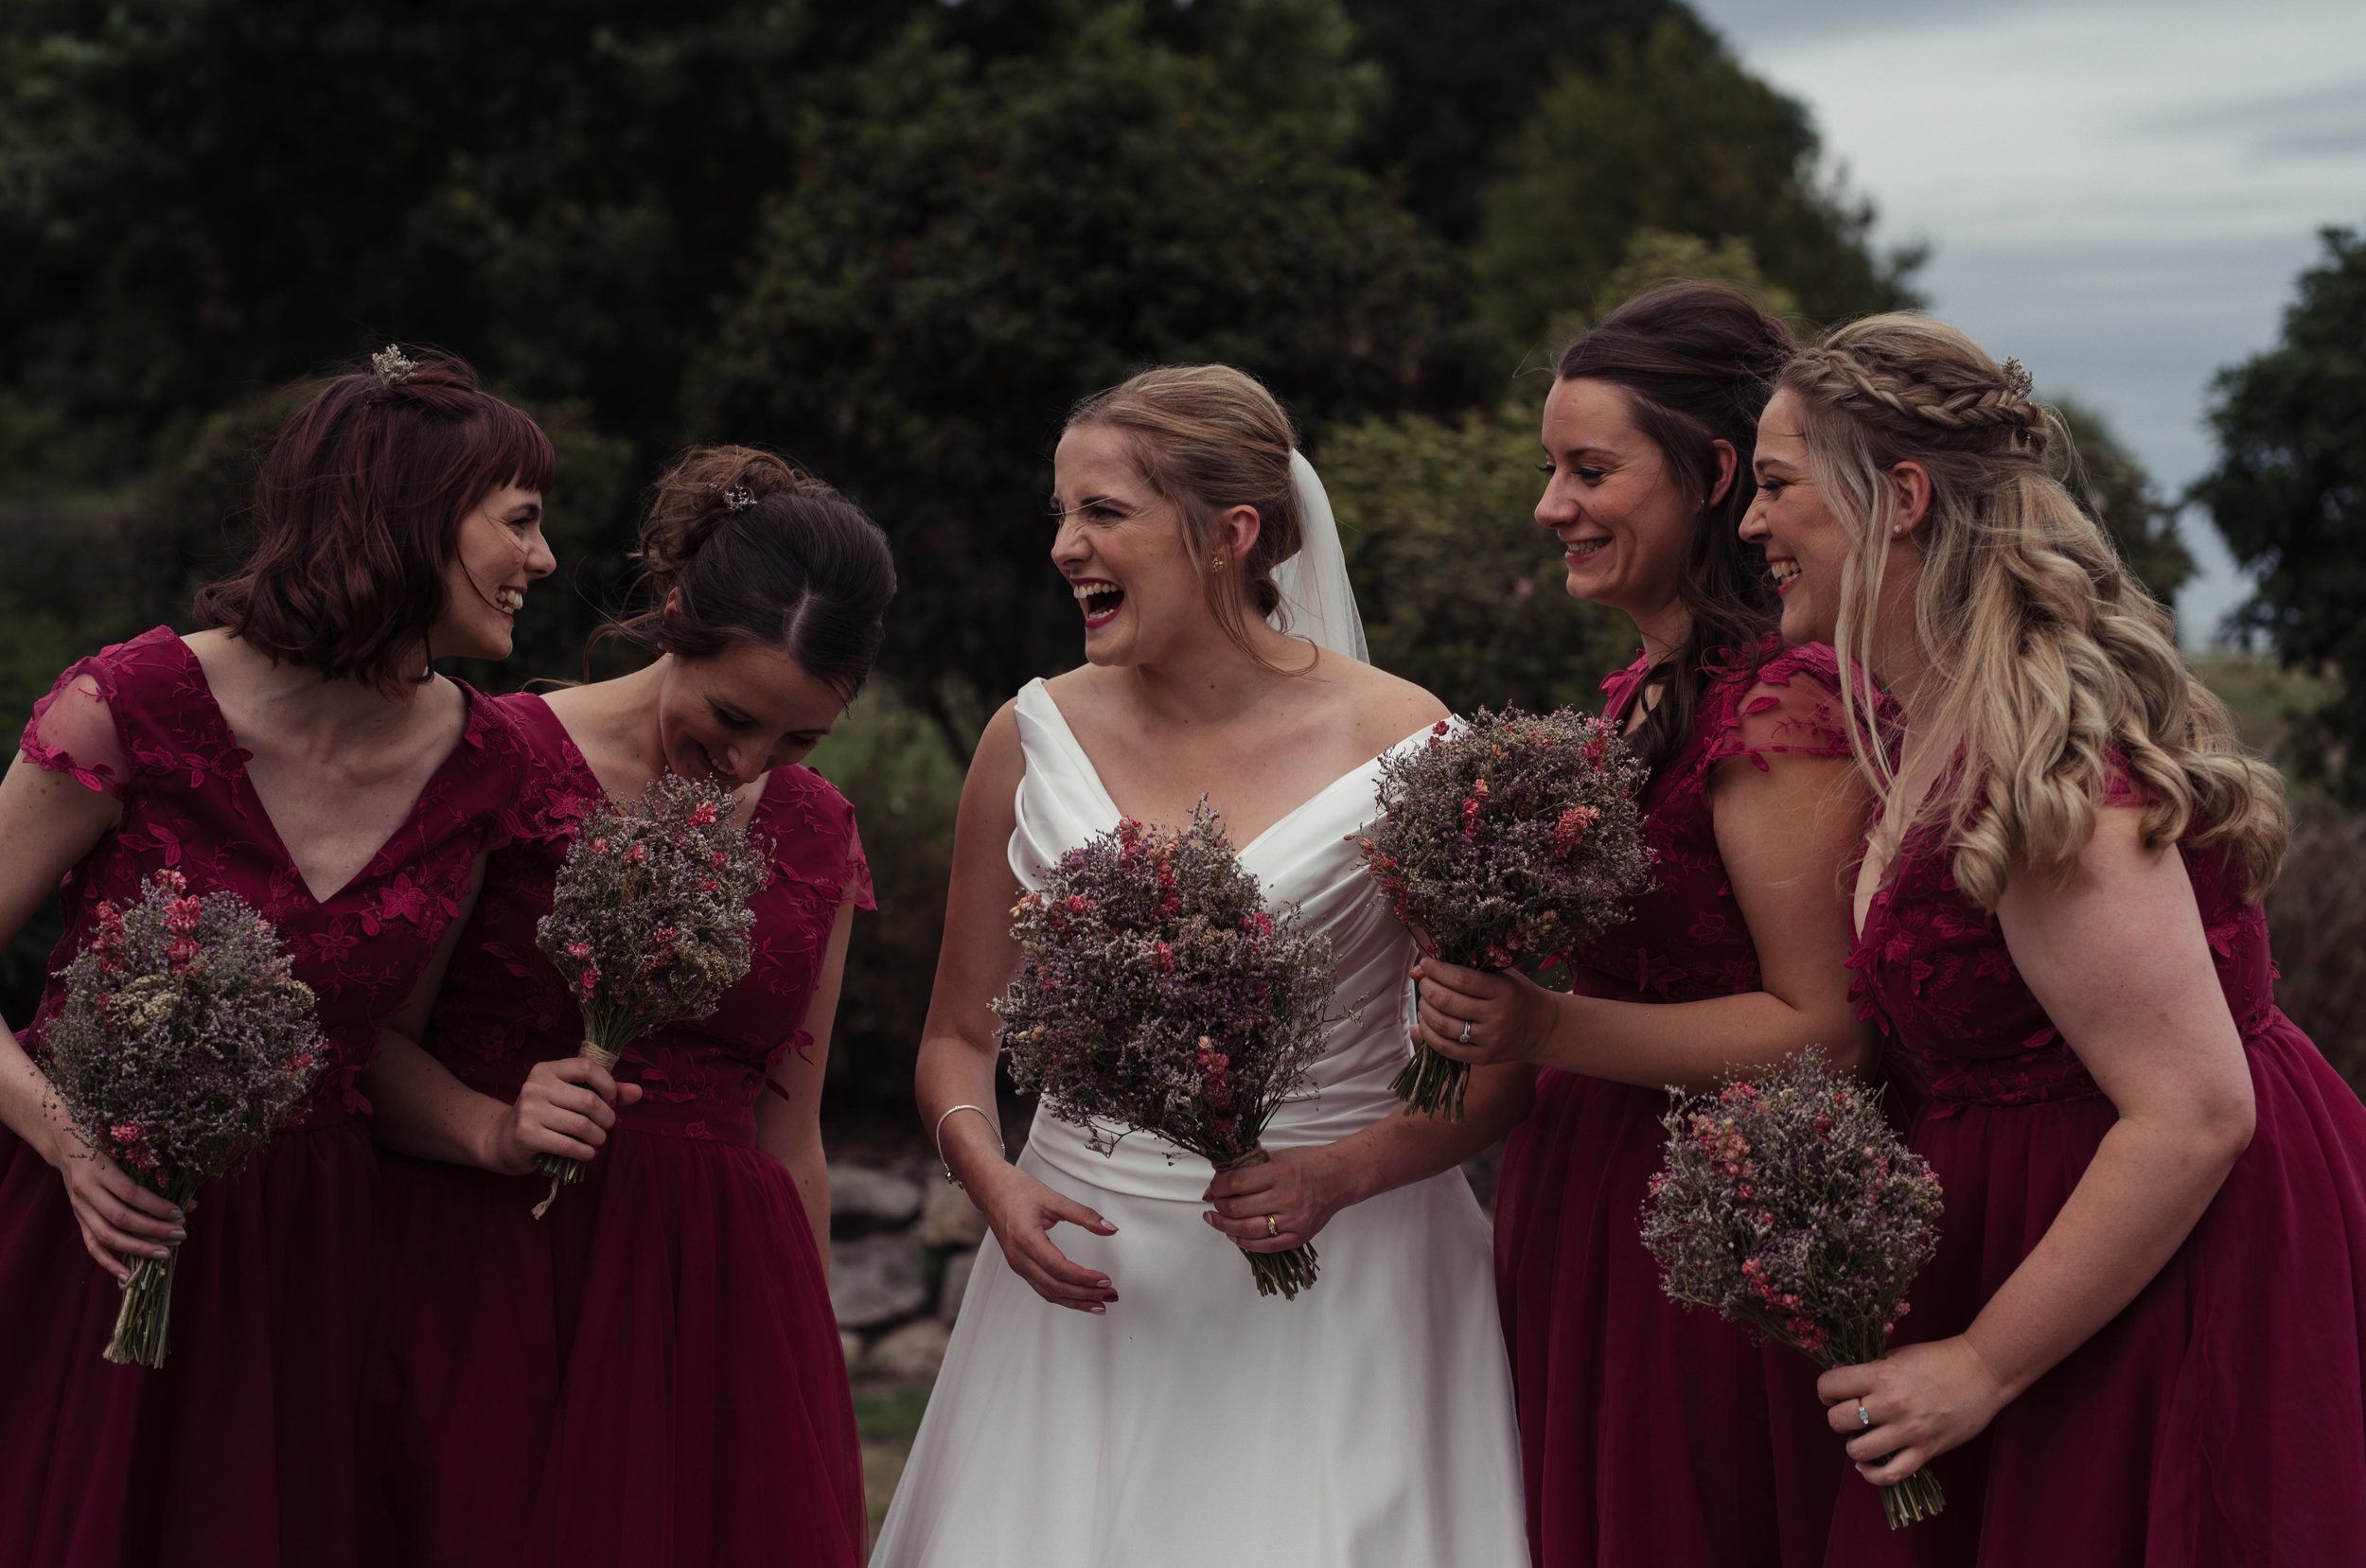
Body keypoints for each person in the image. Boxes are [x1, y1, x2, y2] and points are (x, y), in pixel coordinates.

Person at [870, 364, 1529, 1568]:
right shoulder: (1026, 738)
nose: (1067, 546)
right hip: (1089, 1275)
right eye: (1060, 515)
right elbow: (958, 1038)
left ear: (1231, 535)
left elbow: (1486, 1068)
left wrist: (1336, 1175)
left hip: (1348, 1272)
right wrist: (993, 1179)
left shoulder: (1408, 745)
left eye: (1105, 513)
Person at [1741, 313, 2366, 1564]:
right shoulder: (1928, 727)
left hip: (2149, 1281)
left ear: (1900, 498)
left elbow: (2192, 1110)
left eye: (1774, 486)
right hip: (2042, 1251)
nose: (1752, 526)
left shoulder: (2039, 773)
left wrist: (1982, 1362)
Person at [0, 345, 556, 1568]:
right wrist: (73, 1144)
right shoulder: (129, 704)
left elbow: (379, 1051)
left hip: (310, 1259)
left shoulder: (485, 763)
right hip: (88, 1219)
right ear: (415, 520)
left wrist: (496, 1128)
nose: (543, 559)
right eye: (518, 521)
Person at [361, 446, 893, 1568]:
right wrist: (491, 1126)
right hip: (491, 1272)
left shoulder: (818, 828)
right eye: (733, 713)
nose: (747, 762)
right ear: (670, 618)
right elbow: (367, 1048)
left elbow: (789, 1133)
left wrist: (802, 1369)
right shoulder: (491, 755)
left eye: (798, 738)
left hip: (721, 1302)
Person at [1411, 282, 1867, 1568]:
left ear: (1714, 473)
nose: (1552, 505)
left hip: (1715, 1219)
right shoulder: (1634, 700)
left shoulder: (1783, 710)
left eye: (1589, 469)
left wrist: (1549, 1021)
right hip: (1583, 1190)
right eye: (1551, 468)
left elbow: (1823, 1030)